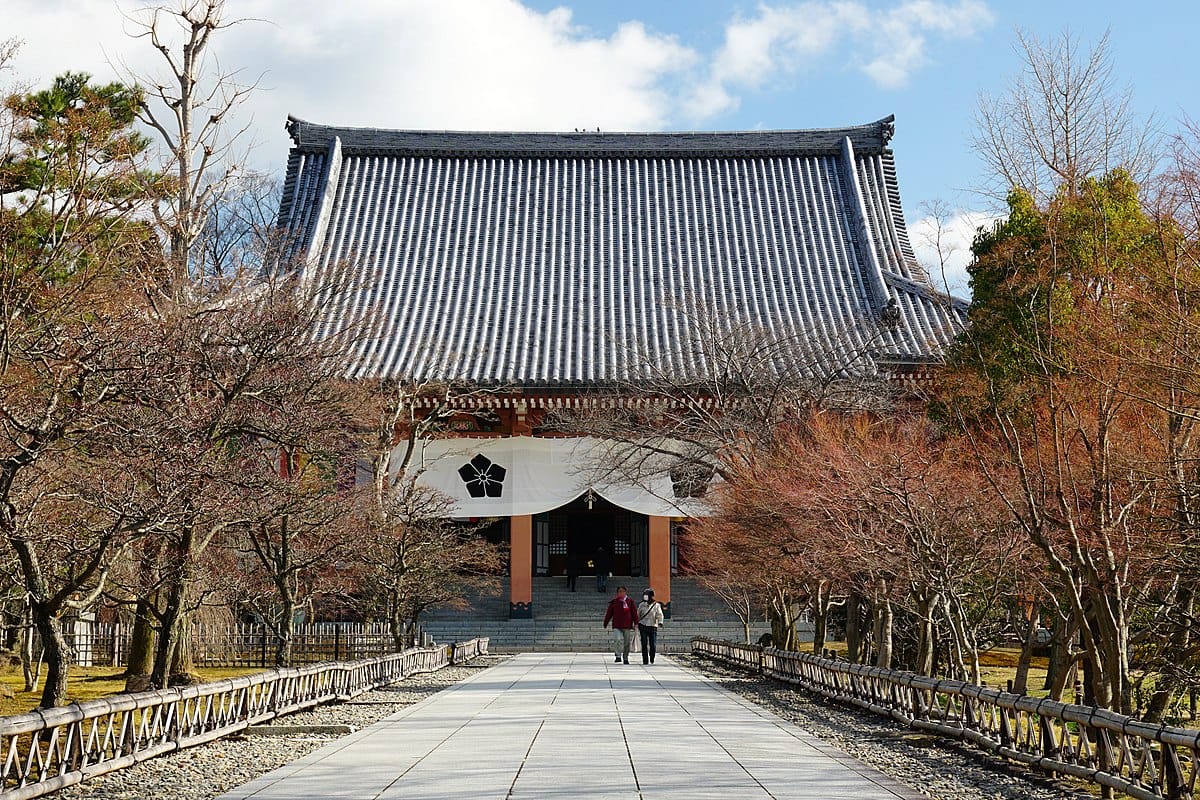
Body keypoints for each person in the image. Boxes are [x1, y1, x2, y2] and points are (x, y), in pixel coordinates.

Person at [603, 586, 637, 664]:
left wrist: (636, 623)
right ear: (617, 593)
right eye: (620, 591)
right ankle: (618, 655)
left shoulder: (629, 601)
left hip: (627, 625)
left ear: (625, 592)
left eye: (623, 591)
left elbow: (634, 612)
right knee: (617, 639)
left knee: (626, 642)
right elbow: (609, 613)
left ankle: (625, 657)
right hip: (617, 625)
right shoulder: (614, 602)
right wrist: (606, 622)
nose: (621, 593)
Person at [637, 588, 665, 665]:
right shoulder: (641, 605)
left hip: (652, 626)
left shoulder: (656, 605)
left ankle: (652, 657)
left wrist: (660, 622)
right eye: (644, 595)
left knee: (653, 644)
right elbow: (638, 615)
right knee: (644, 643)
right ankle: (645, 659)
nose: (645, 596)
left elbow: (660, 614)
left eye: (646, 595)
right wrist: (635, 623)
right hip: (643, 625)